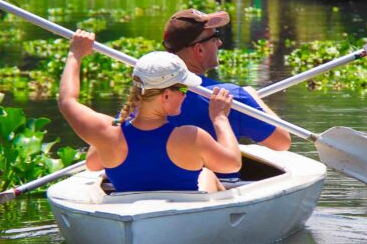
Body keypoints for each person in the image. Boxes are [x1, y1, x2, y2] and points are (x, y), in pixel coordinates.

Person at [58, 30, 242, 193]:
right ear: (166, 96)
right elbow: (232, 163)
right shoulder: (190, 137)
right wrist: (219, 118)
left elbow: (67, 101)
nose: (186, 95)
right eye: (184, 89)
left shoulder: (107, 133)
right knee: (207, 174)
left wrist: (75, 53)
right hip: (182, 218)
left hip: (126, 209)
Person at [162, 9, 291, 154]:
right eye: (215, 37)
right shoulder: (231, 95)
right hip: (221, 175)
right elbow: (282, 142)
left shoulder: (148, 94)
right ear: (199, 49)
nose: (220, 43)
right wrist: (253, 97)